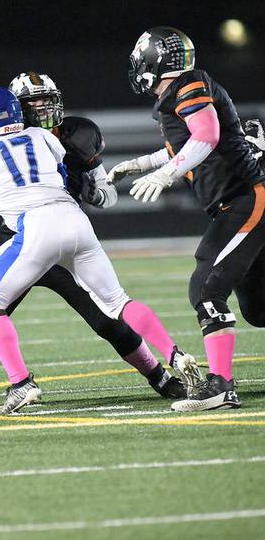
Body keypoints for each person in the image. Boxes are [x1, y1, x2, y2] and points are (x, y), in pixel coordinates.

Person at [0, 73, 189, 411]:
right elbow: (12, 194)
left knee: (95, 317)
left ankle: (157, 377)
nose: (42, 109)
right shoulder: (39, 138)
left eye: (46, 100)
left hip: (36, 233)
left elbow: (98, 188)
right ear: (16, 110)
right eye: (32, 104)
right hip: (45, 231)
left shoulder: (68, 135)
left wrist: (99, 193)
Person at [111, 27, 265, 411]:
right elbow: (182, 146)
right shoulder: (173, 97)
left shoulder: (189, 83)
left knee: (206, 284)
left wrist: (166, 176)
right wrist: (139, 165)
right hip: (234, 202)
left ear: (154, 60)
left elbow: (207, 135)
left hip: (247, 197)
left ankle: (221, 386)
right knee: (259, 308)